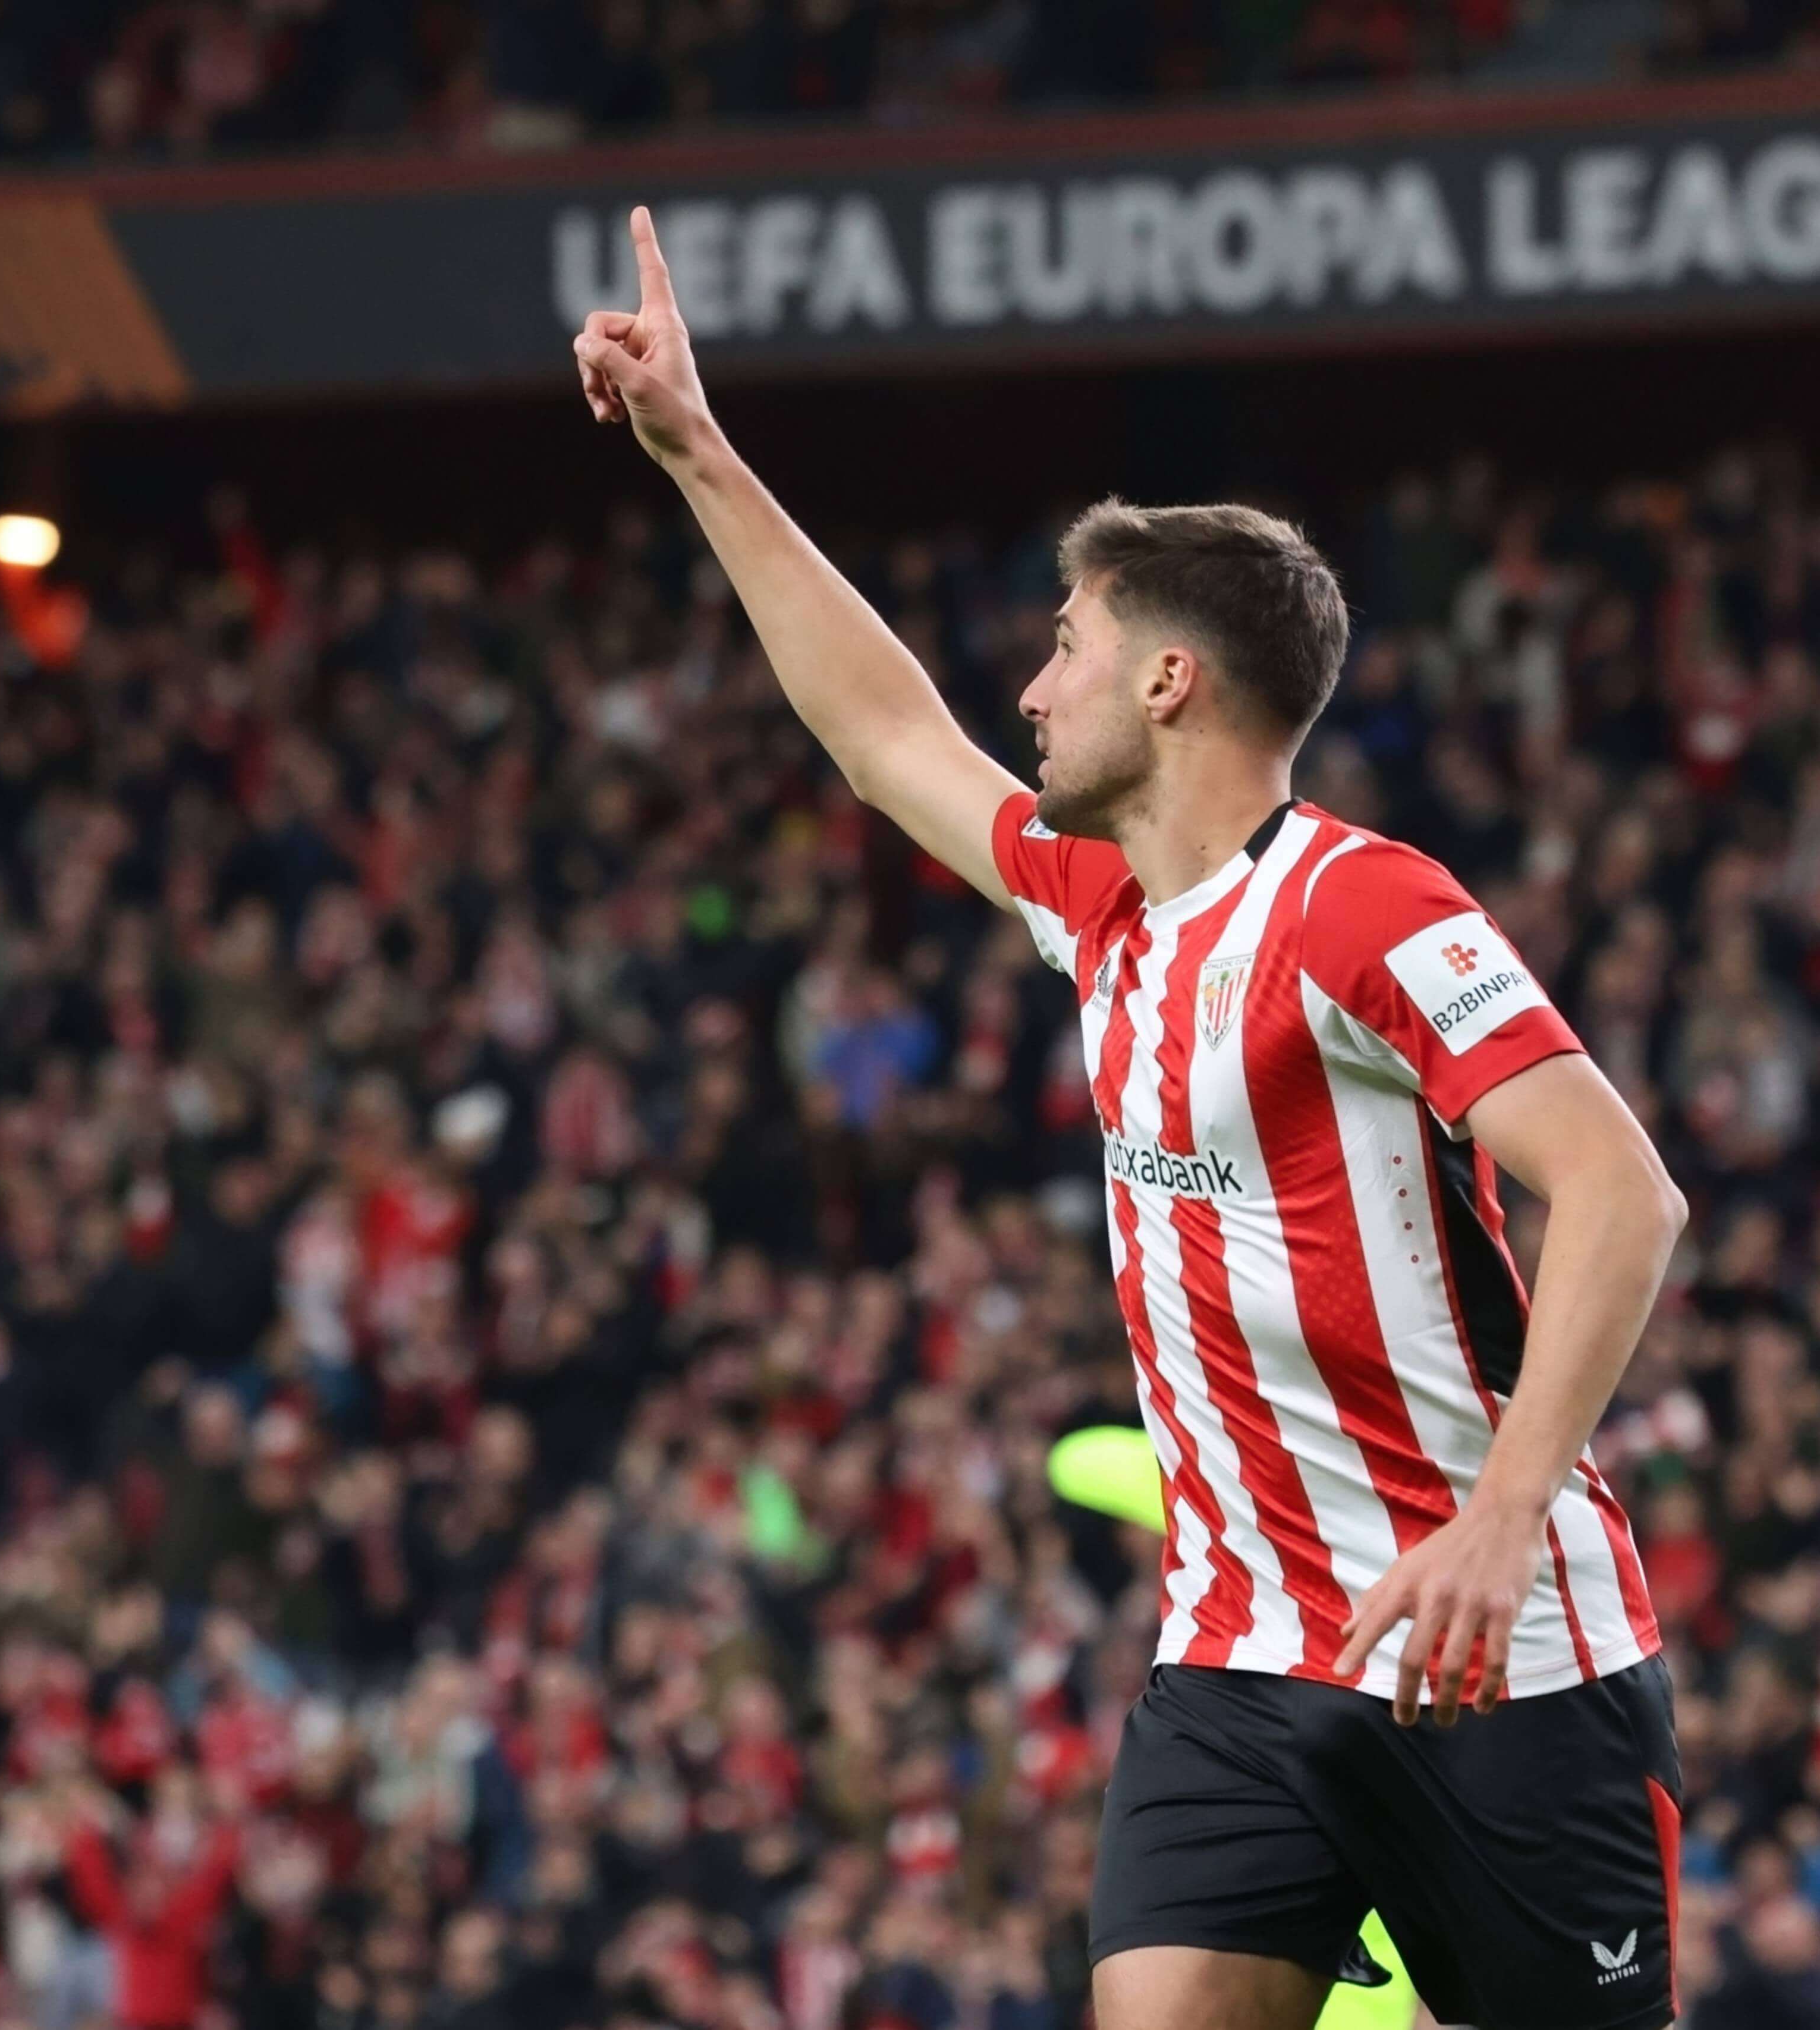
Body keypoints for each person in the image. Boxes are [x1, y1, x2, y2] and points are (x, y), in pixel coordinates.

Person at [576, 205, 1690, 2030]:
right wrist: (699, 452)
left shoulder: (1360, 905)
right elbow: (887, 737)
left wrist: (1503, 1514)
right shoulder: (1099, 908)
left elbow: (1621, 1194)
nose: (1030, 686)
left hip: (1501, 1652)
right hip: (1239, 1661)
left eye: (1069, 647)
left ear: (1171, 682)